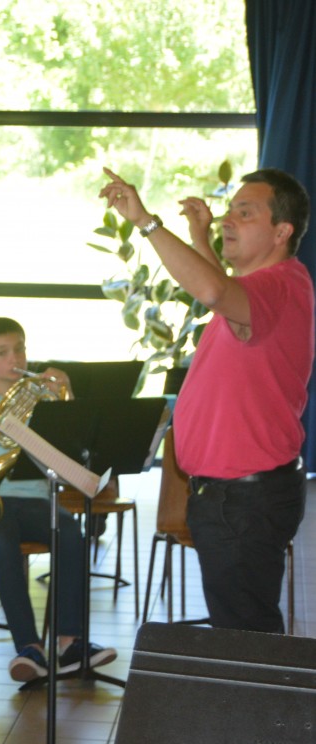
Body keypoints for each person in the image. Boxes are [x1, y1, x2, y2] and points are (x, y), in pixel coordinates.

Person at [100, 166, 313, 633]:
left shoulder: (278, 285)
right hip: (237, 495)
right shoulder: (269, 289)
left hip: (243, 497)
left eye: (245, 213)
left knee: (243, 636)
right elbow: (225, 295)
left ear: (282, 231)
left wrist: (146, 222)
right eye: (230, 210)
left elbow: (214, 291)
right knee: (242, 630)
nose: (228, 220)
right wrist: (200, 237)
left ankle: (253, 686)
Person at [0, 317, 115, 681]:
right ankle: (29, 647)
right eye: (2, 352)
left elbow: (74, 447)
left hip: (36, 498)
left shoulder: (43, 397)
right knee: (2, 537)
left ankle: (70, 643)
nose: (15, 358)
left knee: (71, 533)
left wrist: (67, 395)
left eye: (20, 349)